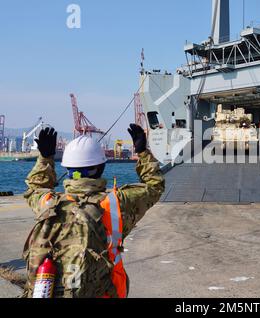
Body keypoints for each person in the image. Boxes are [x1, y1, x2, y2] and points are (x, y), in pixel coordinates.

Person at [22, 124, 165, 298]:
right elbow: (154, 186)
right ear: (101, 168)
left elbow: (35, 187)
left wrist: (45, 158)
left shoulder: (48, 203)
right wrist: (142, 151)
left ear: (67, 170)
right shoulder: (115, 203)